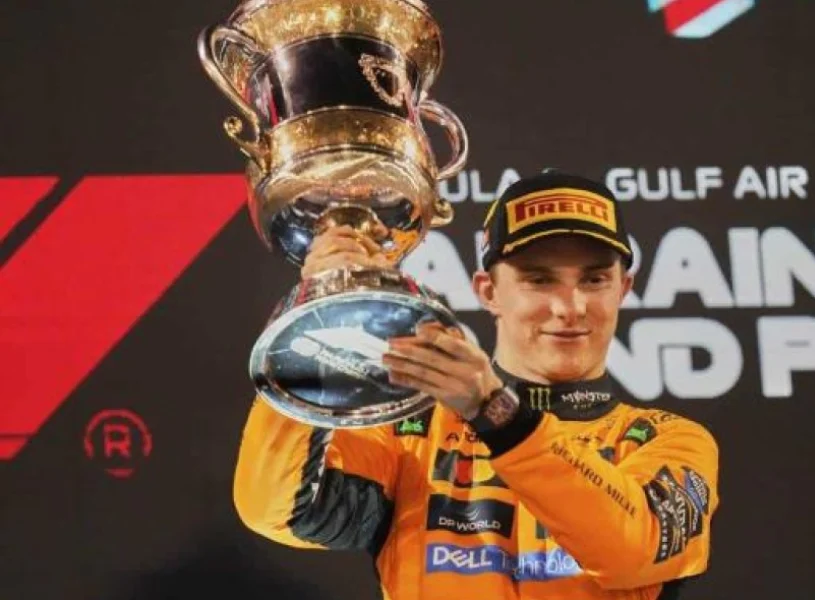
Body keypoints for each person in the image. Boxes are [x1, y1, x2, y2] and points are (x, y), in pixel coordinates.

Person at [233, 171, 720, 599]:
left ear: (623, 290)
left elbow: (629, 551)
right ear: (488, 291)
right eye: (539, 280)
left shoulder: (667, 440)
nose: (570, 307)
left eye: (594, 281)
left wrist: (496, 411)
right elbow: (275, 509)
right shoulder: (412, 434)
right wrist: (318, 315)